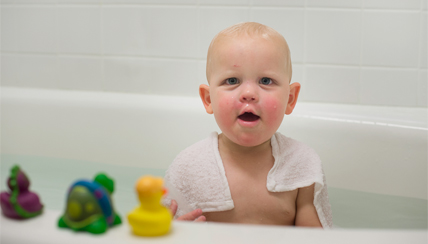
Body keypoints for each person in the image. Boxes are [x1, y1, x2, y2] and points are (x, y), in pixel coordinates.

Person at [163, 22, 332, 228]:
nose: (249, 93)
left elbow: (314, 238)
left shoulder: (302, 165)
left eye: (266, 81)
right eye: (232, 80)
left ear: (290, 99)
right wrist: (172, 231)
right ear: (208, 99)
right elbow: (160, 227)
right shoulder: (187, 168)